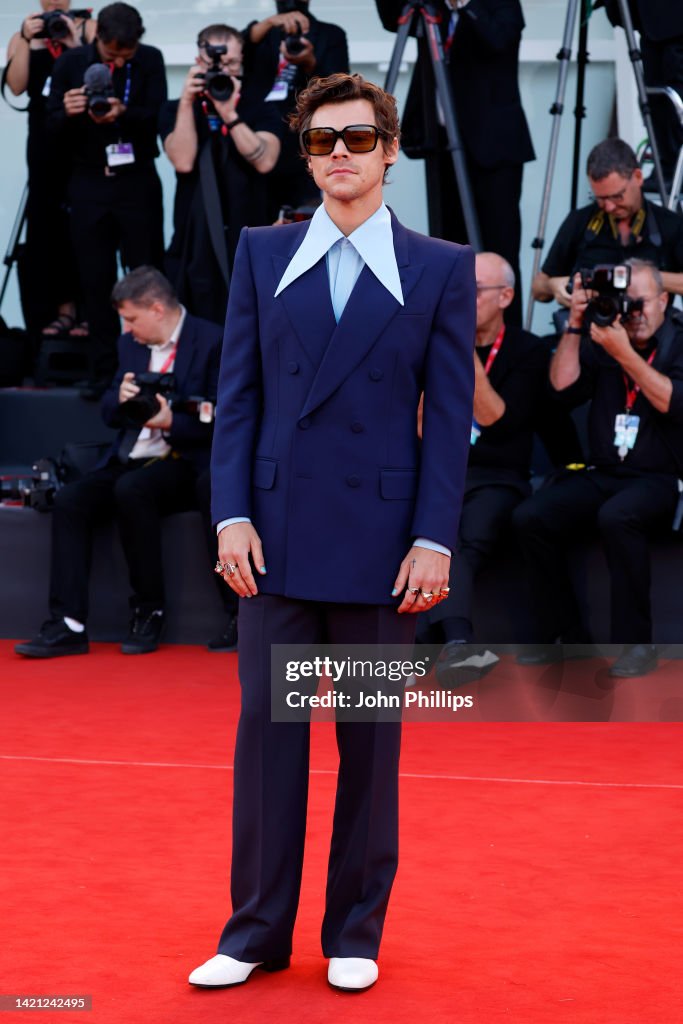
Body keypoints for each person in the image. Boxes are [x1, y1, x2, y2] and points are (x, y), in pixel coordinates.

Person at [189, 72, 475, 992]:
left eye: (356, 138)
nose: (339, 154)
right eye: (320, 141)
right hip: (272, 541)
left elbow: (448, 415)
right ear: (306, 155)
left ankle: (354, 933)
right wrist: (229, 515)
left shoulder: (438, 266)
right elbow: (236, 402)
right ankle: (253, 933)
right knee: (268, 743)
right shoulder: (261, 255)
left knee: (369, 744)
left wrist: (433, 537)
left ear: (390, 150)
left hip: (382, 545)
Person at [14, 267, 222, 659]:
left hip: (186, 460)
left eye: (131, 318)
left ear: (157, 309)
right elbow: (108, 408)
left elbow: (227, 416)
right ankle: (68, 625)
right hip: (131, 454)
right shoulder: (131, 347)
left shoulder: (213, 341)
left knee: (132, 490)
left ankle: (149, 610)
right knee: (72, 499)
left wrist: (171, 421)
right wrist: (123, 400)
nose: (126, 330)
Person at [513, 259, 683, 678]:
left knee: (617, 516)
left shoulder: (678, 342)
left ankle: (637, 646)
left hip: (662, 478)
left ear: (665, 300)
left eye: (641, 303)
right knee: (531, 516)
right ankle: (565, 635)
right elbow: (561, 389)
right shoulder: (605, 335)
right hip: (604, 472)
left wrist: (623, 353)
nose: (633, 312)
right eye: (627, 303)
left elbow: (671, 402)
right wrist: (574, 325)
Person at [418, 251, 556, 685]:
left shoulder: (528, 350)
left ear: (506, 296)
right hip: (443, 473)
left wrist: (460, 347)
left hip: (498, 476)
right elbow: (420, 426)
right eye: (459, 291)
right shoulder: (433, 343)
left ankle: (436, 645)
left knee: (461, 536)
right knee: (423, 527)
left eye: (474, 291)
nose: (464, 299)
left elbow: (496, 416)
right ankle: (449, 645)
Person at [375, 0, 535, 326]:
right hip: (443, 143)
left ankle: (507, 343)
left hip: (492, 149)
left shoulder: (493, 6)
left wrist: (464, 4)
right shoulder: (433, 6)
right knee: (448, 248)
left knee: (498, 249)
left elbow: (498, 39)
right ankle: (453, 338)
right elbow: (392, 17)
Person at [46, 2, 167, 399]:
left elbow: (158, 119)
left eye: (125, 55)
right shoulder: (70, 63)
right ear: (98, 38)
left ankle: (154, 370)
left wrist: (123, 111)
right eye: (112, 53)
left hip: (136, 181)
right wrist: (66, 111)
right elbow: (48, 130)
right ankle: (104, 373)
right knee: (94, 280)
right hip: (88, 183)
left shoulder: (150, 60)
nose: (118, 60)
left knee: (146, 274)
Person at [159, 24, 282, 326]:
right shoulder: (176, 109)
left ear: (242, 64)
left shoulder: (260, 109)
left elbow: (265, 161)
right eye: (215, 63)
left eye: (230, 64)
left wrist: (229, 113)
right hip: (193, 241)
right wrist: (189, 102)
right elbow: (183, 161)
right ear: (198, 61)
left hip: (251, 237)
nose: (222, 70)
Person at [4, 1, 96, 338]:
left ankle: (91, 310)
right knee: (48, 227)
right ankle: (61, 309)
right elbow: (16, 86)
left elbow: (98, 75)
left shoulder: (89, 28)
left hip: (82, 139)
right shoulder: (23, 35)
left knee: (87, 223)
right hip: (43, 141)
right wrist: (27, 40)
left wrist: (72, 42)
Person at [532, 138, 683, 310]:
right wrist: (553, 285)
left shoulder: (671, 224)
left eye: (617, 196)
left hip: (650, 332)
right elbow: (538, 288)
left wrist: (642, 278)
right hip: (588, 328)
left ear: (638, 177)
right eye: (601, 199)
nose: (609, 207)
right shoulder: (579, 221)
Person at [241, 0, 350, 221]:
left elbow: (339, 89)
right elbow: (236, 49)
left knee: (305, 215)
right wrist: (268, 23)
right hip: (257, 132)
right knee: (255, 215)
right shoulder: (263, 33)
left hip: (302, 134)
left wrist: (310, 63)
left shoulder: (330, 34)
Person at [600, 1, 683, 190]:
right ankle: (666, 166)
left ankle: (673, 168)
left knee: (672, 98)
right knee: (655, 99)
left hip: (673, 23)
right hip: (651, 21)